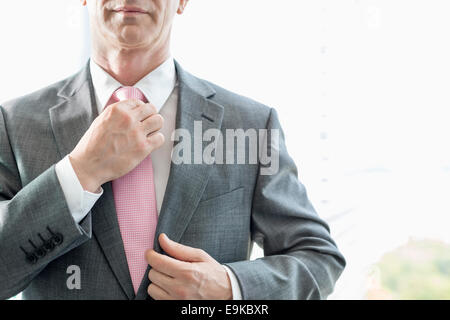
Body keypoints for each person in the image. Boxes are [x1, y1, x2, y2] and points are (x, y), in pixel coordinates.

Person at [0, 0, 345, 300]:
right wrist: (80, 173)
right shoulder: (14, 124)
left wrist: (231, 287)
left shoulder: (252, 124)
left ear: (183, 1)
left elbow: (318, 259)